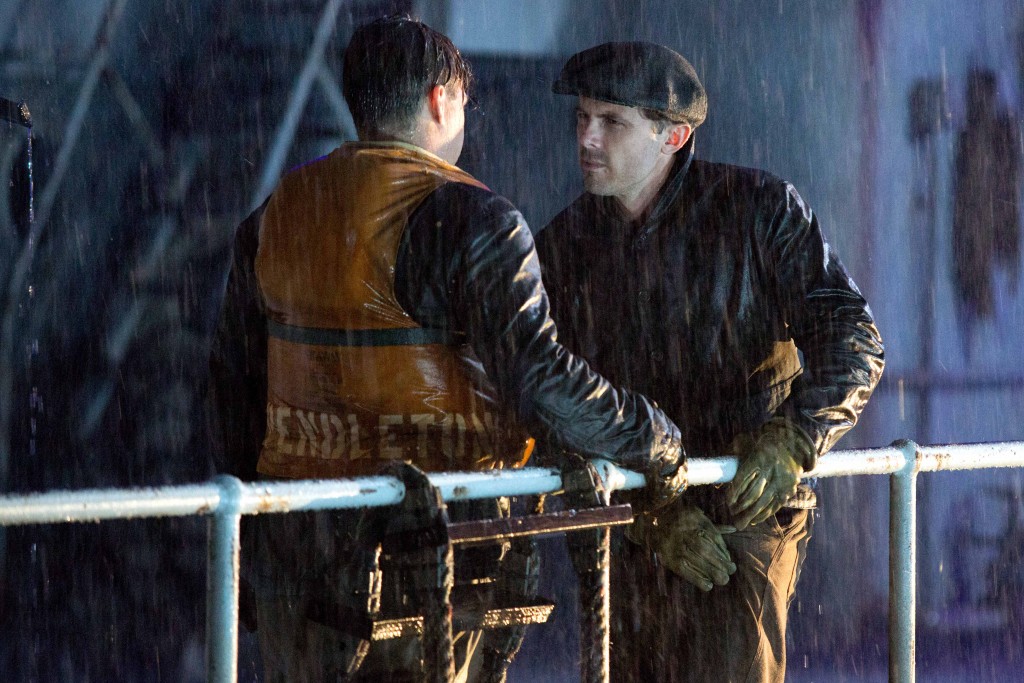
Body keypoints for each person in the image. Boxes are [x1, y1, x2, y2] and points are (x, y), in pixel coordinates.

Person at [207, 20, 687, 682]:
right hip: (424, 549)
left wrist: (244, 552)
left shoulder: (276, 213)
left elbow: (232, 388)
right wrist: (655, 436)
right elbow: (540, 380)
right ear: (441, 99)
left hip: (297, 538)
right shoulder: (471, 219)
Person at [535, 42, 885, 683]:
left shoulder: (759, 211)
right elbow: (545, 403)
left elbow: (852, 335)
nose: (586, 137)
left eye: (611, 121)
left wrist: (794, 439)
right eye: (581, 117)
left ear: (675, 136)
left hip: (745, 514)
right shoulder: (563, 247)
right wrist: (649, 517)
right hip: (630, 526)